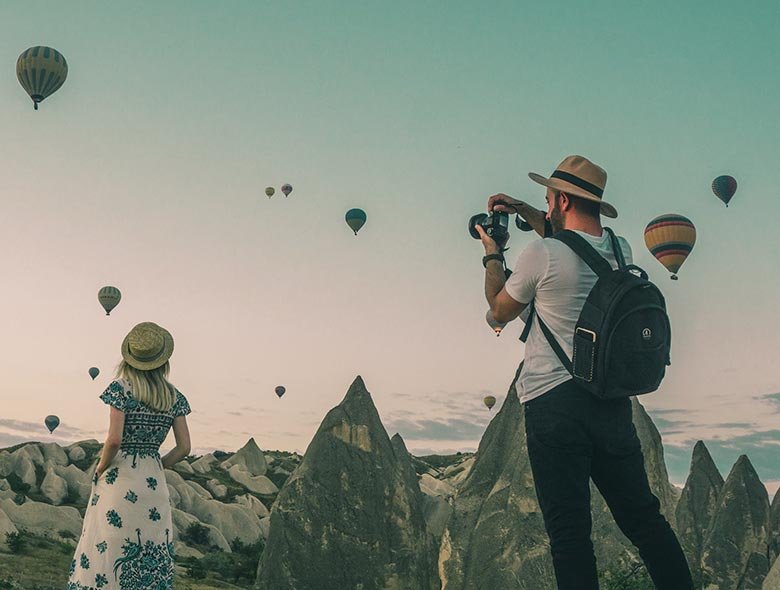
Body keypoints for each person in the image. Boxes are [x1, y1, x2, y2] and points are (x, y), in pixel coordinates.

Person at [475, 155, 693, 590]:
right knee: (645, 520)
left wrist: (493, 255)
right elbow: (572, 245)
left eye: (548, 199)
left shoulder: (541, 254)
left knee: (570, 536)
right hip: (611, 401)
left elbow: (498, 310)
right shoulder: (621, 251)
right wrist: (522, 209)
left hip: (553, 403)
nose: (546, 205)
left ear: (562, 200)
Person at [67, 321, 192, 590]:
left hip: (120, 479)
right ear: (163, 361)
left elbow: (114, 440)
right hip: (153, 483)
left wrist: (101, 467)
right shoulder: (175, 397)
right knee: (150, 547)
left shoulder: (121, 389)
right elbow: (184, 448)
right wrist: (158, 465)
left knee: (108, 545)